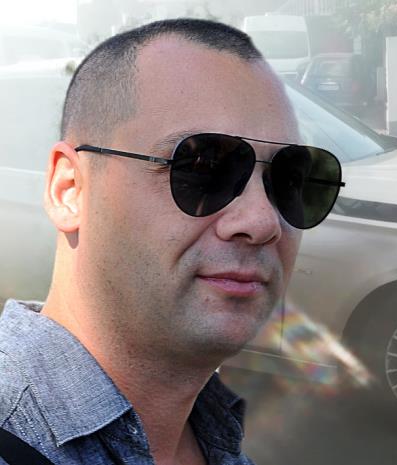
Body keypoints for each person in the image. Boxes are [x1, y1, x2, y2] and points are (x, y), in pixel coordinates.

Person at [0, 18, 343, 465]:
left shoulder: (217, 438)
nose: (263, 222)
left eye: (291, 179)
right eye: (202, 168)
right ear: (70, 190)